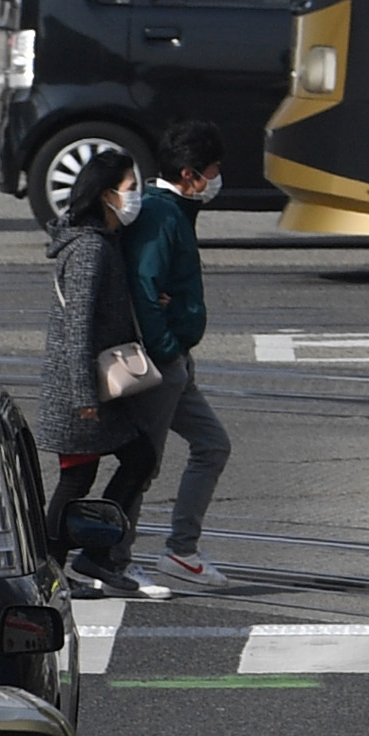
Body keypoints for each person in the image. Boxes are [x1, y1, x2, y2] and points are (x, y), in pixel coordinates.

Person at [40, 150, 175, 600]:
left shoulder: (100, 241)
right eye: (130, 188)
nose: (135, 196)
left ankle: (86, 558)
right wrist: (83, 398)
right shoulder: (90, 249)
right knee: (82, 478)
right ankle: (53, 567)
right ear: (106, 195)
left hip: (96, 388)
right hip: (81, 392)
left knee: (130, 462)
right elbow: (77, 325)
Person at [123, 120, 236, 589]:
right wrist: (168, 349)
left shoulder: (172, 212)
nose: (216, 178)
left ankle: (180, 550)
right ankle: (113, 555)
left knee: (211, 445)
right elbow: (144, 289)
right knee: (143, 464)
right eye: (212, 170)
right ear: (190, 174)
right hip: (162, 362)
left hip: (176, 360)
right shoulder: (161, 214)